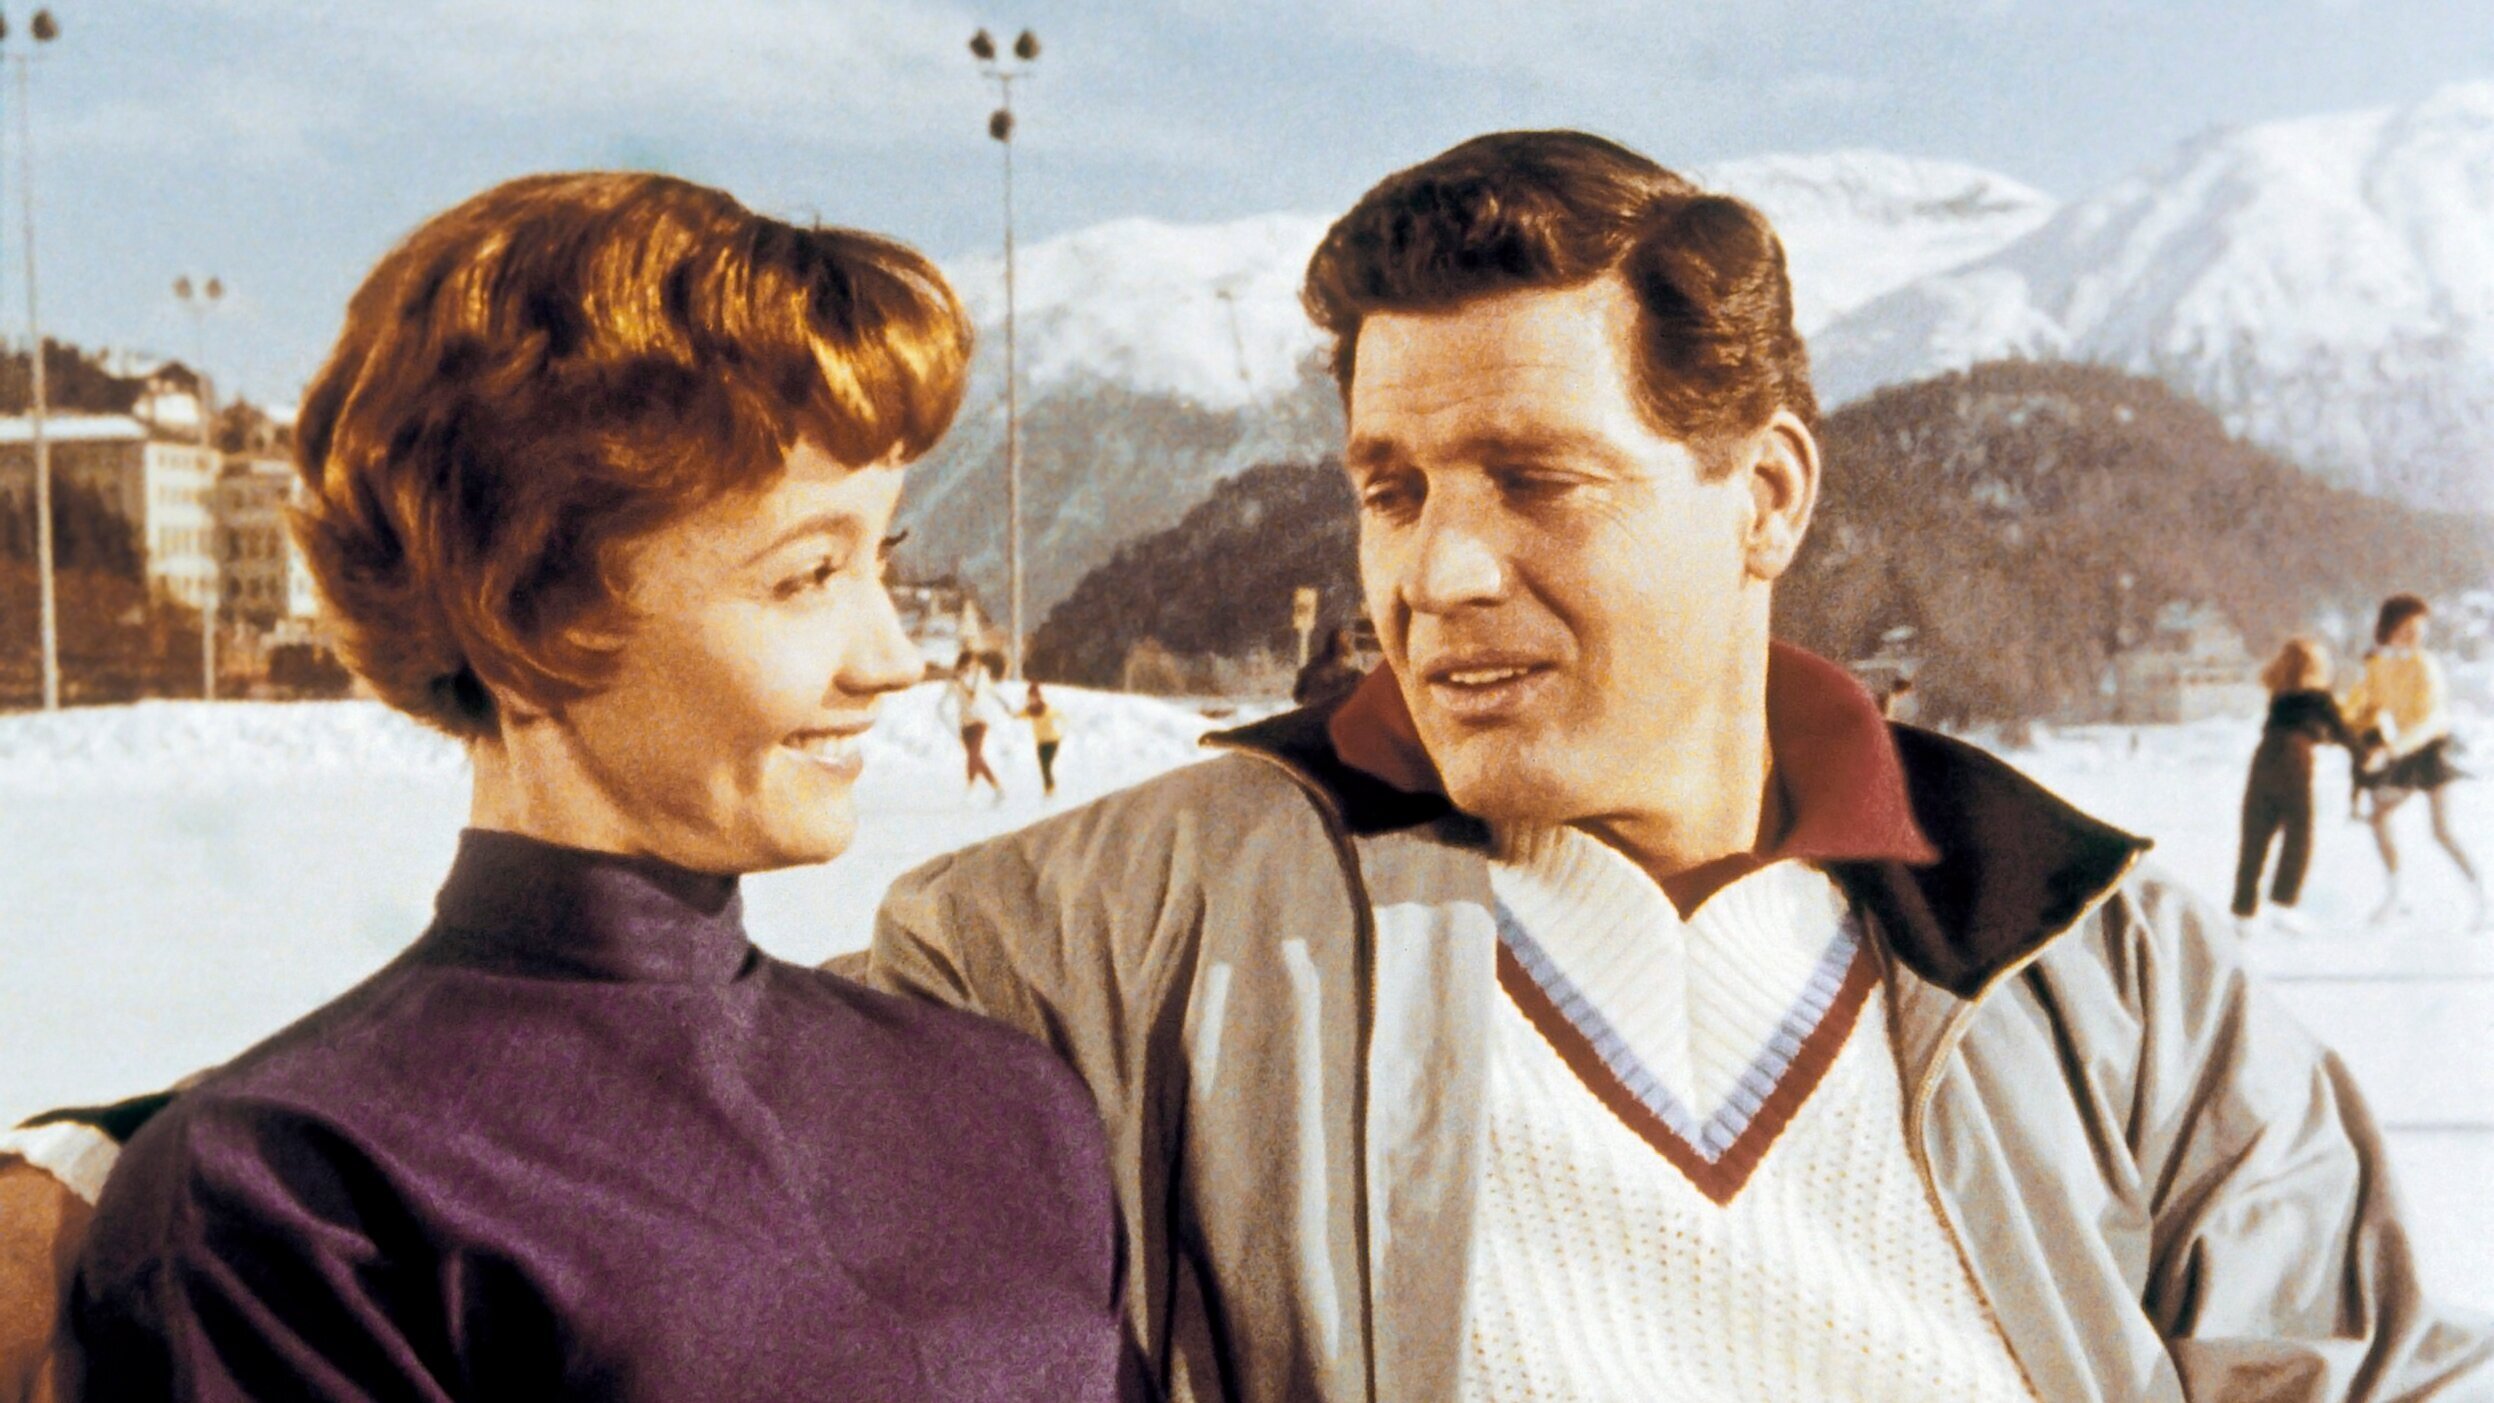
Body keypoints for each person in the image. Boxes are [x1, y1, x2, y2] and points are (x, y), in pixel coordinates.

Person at [863, 131, 2487, 1399]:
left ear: (1764, 496)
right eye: (1390, 490)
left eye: (1534, 479)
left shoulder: (2091, 955)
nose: (1435, 574)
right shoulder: (1094, 940)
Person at [26, 174, 1129, 1401]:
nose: (894, 657)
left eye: (883, 557)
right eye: (807, 574)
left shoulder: (1006, 1102)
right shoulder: (301, 1196)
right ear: (526, 607)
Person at [2344, 592, 2485, 928]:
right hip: (2404, 750)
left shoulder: (2425, 665)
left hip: (2432, 750)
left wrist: (2389, 751)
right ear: (2389, 629)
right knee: (2379, 817)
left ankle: (2482, 898)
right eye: (2406, 629)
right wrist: (2347, 726)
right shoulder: (2379, 665)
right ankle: (2396, 895)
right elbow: (2366, 706)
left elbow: (2430, 720)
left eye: (2418, 629)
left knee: (2441, 830)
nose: (2413, 636)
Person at [2230, 637, 2364, 925]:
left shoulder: (2280, 694)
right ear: (2315, 666)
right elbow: (2343, 734)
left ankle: (2243, 909)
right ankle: (2283, 901)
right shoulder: (2318, 697)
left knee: (2256, 832)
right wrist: (2367, 752)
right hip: (2295, 759)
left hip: (2264, 757)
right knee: (2298, 831)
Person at [939, 648, 1009, 800]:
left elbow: (992, 691)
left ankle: (970, 789)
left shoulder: (981, 676)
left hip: (980, 721)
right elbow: (942, 705)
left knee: (974, 755)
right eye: (967, 665)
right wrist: (951, 725)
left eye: (973, 664)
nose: (970, 667)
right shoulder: (955, 681)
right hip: (965, 725)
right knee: (976, 758)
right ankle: (997, 788)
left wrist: (1005, 704)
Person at [1290, 624, 1365, 712]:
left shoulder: (1312, 668)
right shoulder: (1351, 676)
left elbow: (1298, 696)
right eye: (1345, 641)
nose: (1349, 644)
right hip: (1324, 714)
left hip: (1315, 714)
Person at [1024, 680, 1065, 797]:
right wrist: (1011, 714)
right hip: (1041, 743)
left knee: (1046, 765)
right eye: (1030, 698)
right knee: (1043, 767)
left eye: (1034, 697)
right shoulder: (1030, 710)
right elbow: (1020, 715)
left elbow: (1059, 715)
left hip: (1052, 741)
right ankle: (1049, 788)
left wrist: (1063, 727)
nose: (1032, 700)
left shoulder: (1046, 709)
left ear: (1039, 697)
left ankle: (1050, 789)